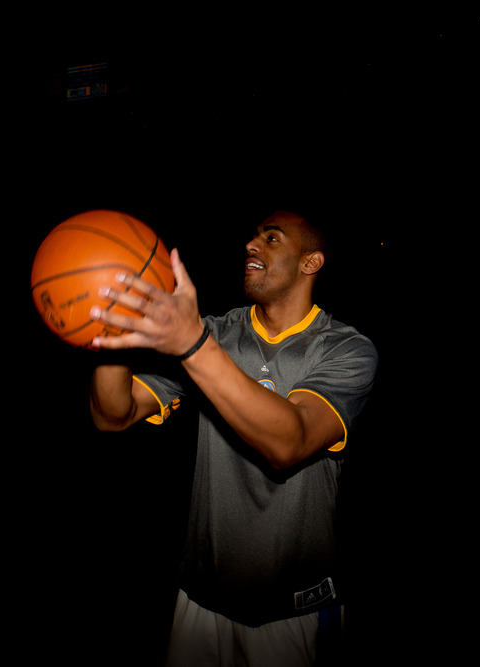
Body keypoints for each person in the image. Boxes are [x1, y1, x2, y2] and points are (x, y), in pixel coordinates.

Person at [88, 210, 378, 666]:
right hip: (199, 598)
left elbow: (290, 442)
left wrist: (191, 343)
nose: (251, 245)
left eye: (272, 237)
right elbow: (113, 414)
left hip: (292, 610)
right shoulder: (218, 333)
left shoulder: (345, 349)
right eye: (253, 236)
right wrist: (108, 333)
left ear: (310, 262)